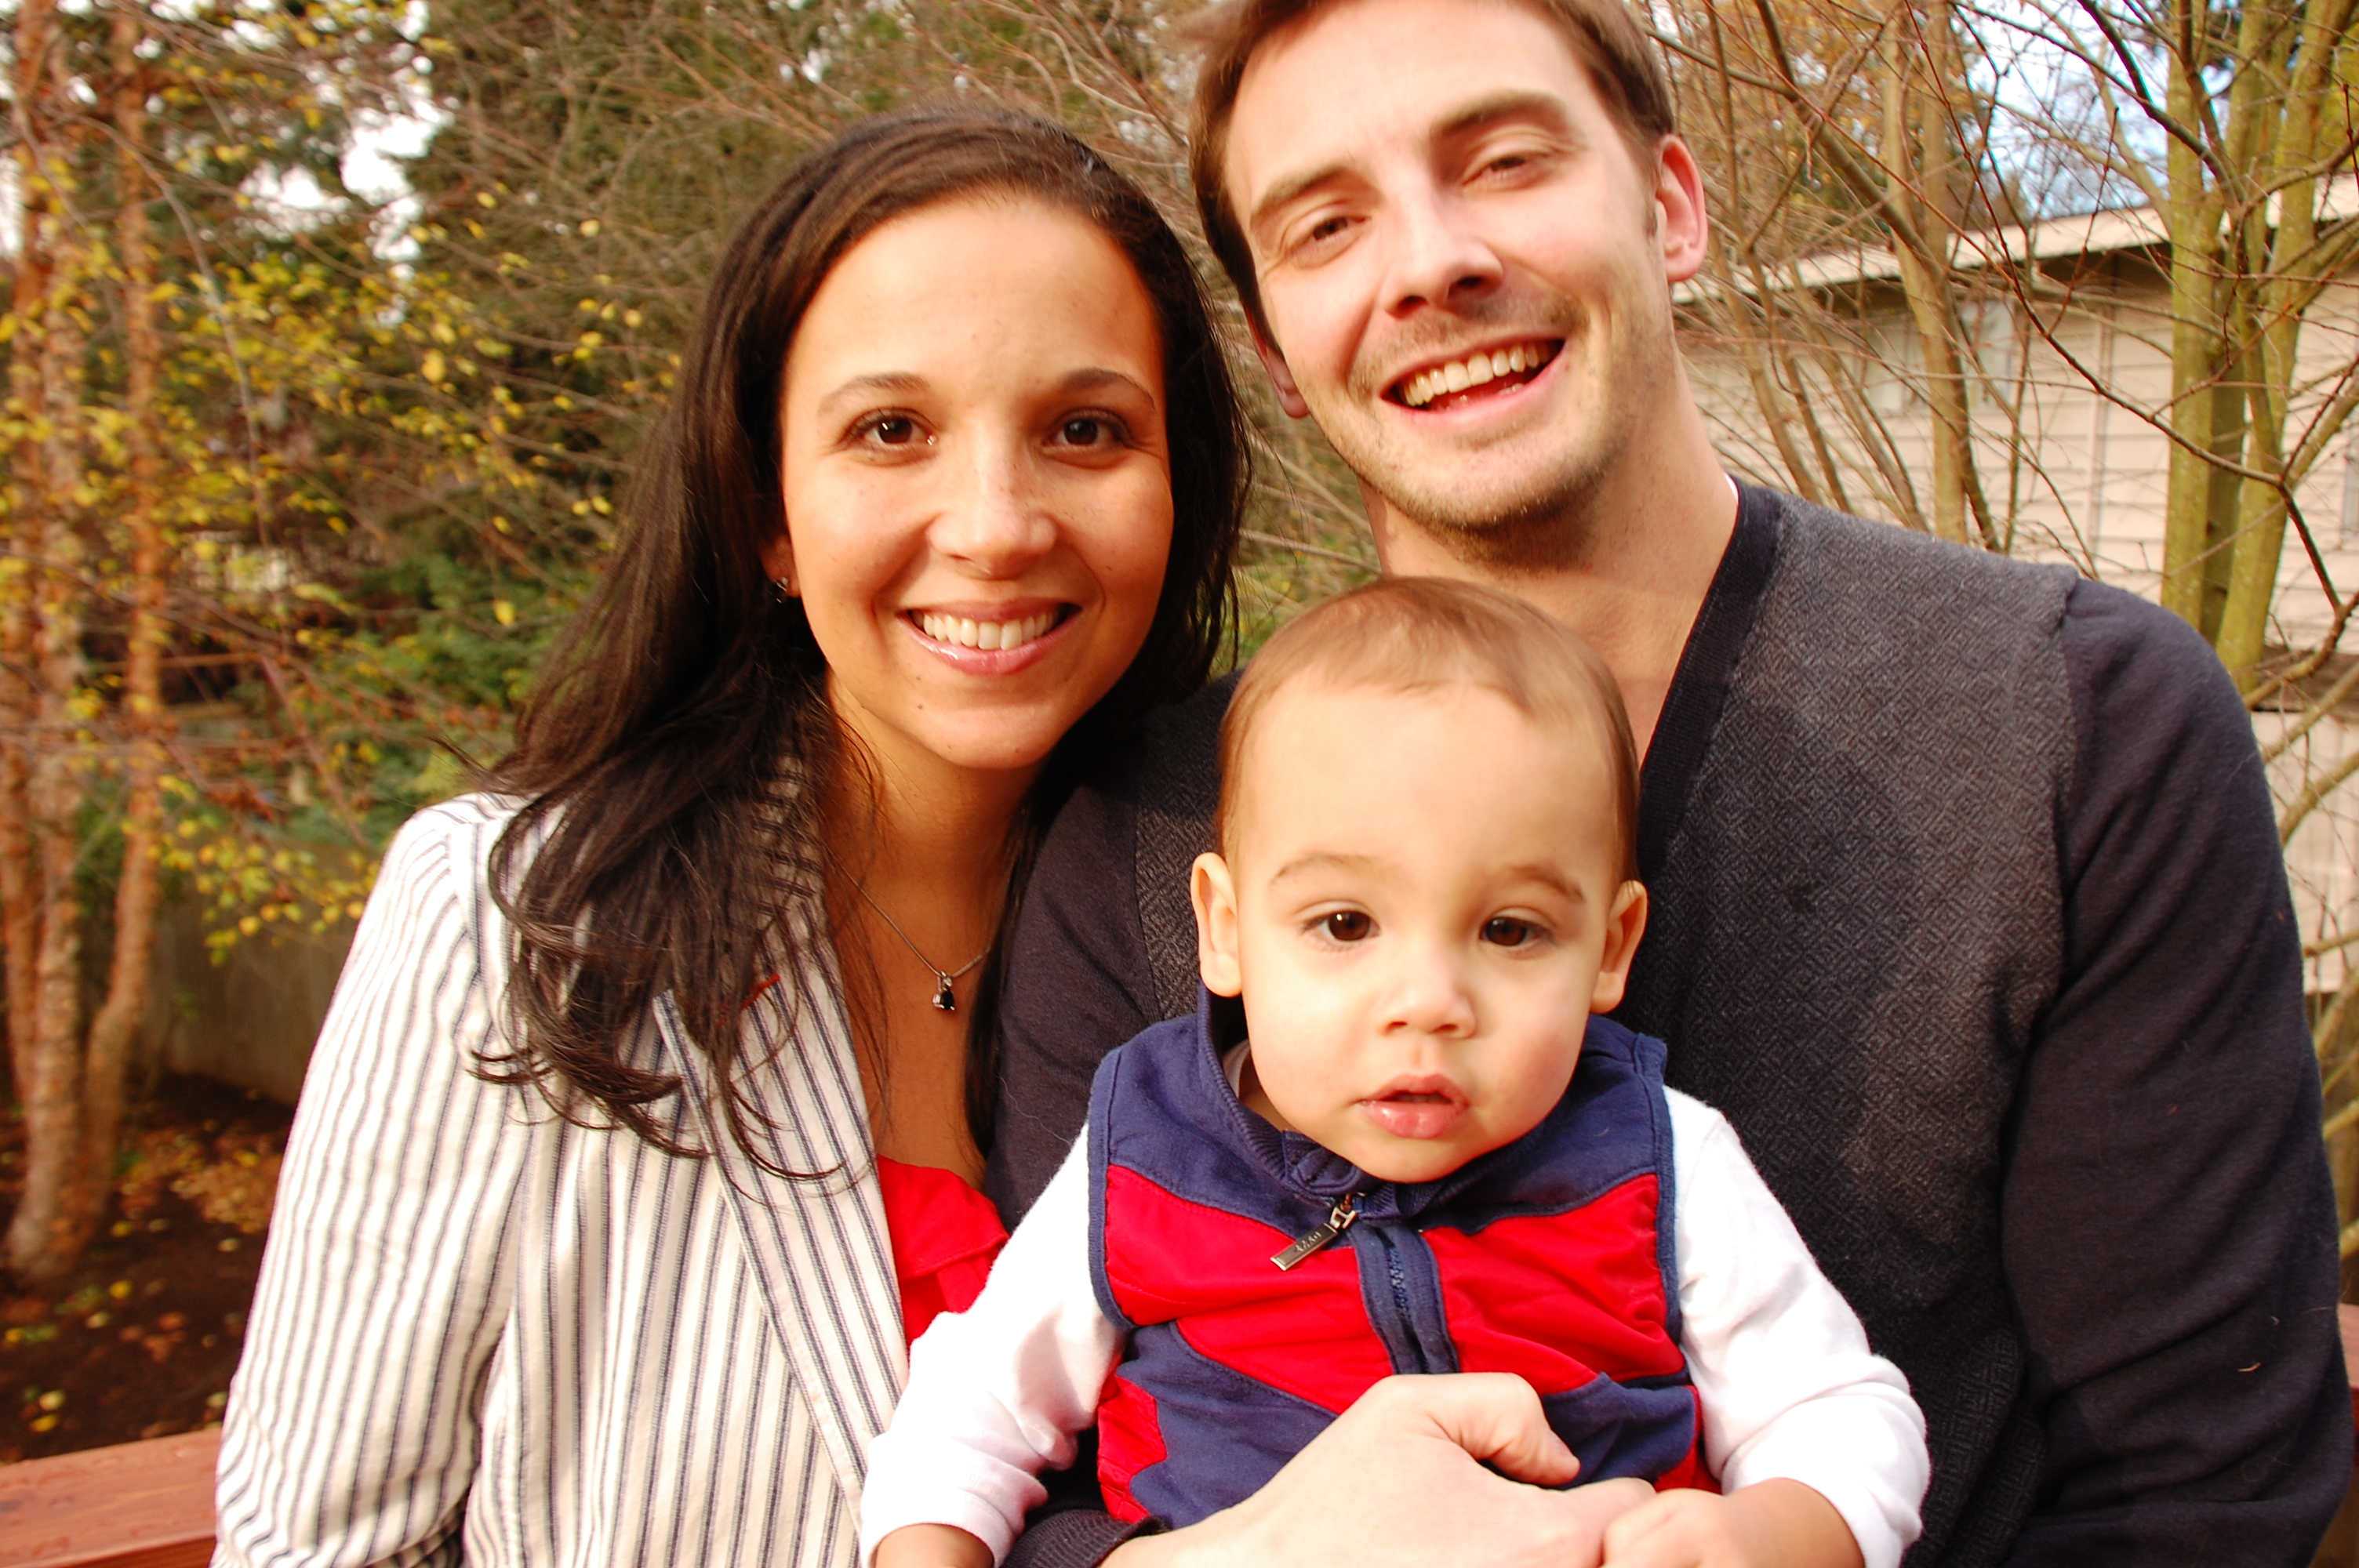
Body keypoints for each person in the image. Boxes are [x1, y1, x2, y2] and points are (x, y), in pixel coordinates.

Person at [983, 0, 2351, 1564]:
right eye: (1326, 224)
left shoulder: (2074, 723)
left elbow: (2193, 1499)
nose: (1430, 262)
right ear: (1274, 348)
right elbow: (1025, 1484)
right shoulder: (1150, 833)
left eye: (1504, 159)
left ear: (1672, 204)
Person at [209, 107, 1247, 1567]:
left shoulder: (1253, 935)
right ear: (768, 510)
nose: (997, 525)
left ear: (1173, 488)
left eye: (1085, 430)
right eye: (892, 431)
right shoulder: (518, 925)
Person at [863, 580, 1930, 1568]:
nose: (1427, 1002)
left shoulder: (1655, 1158)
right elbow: (971, 1415)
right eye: (1345, 924)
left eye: (1510, 930)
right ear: (1226, 929)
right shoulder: (1147, 1153)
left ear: (1609, 949)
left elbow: (1839, 1411)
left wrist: (1767, 1535)